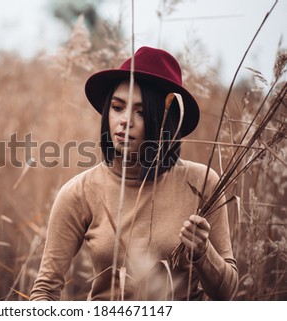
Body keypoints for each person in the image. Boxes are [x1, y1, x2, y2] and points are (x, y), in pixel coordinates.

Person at [30, 46, 238, 301]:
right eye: (118, 107)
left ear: (166, 122)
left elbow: (227, 293)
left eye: (141, 111)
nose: (125, 120)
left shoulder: (201, 182)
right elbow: (44, 292)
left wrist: (203, 252)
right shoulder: (80, 192)